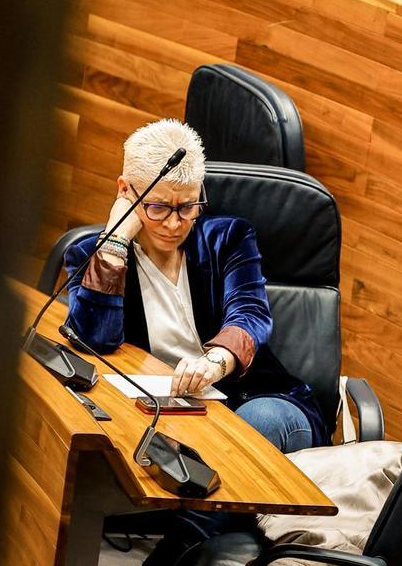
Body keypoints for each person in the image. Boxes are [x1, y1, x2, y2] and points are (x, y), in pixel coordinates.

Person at [64, 119, 329, 564]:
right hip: (166, 416)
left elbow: (251, 312)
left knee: (253, 423)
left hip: (256, 403)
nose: (174, 223)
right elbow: (95, 340)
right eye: (158, 208)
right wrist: (114, 246)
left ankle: (174, 552)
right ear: (126, 191)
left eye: (188, 206)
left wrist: (217, 358)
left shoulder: (229, 238)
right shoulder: (91, 255)